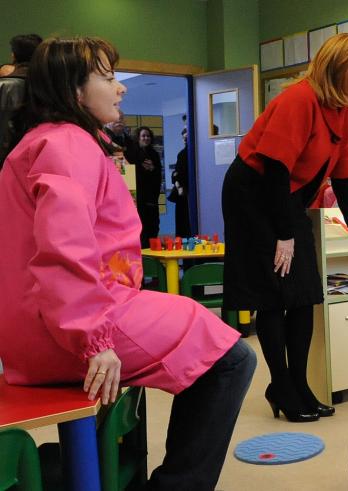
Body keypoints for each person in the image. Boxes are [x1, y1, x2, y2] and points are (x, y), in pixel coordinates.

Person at [0, 37, 255, 490]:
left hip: (43, 328)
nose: (120, 88)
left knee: (212, 345)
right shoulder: (67, 144)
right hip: (71, 328)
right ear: (75, 91)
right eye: (108, 77)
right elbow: (64, 249)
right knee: (232, 357)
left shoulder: (40, 142)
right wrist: (93, 339)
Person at [222, 33, 348, 422]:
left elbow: (344, 177)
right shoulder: (299, 99)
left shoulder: (343, 115)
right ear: (337, 64)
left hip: (285, 196)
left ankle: (299, 384)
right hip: (254, 193)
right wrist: (284, 233)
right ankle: (281, 384)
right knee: (275, 293)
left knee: (304, 293)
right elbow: (276, 167)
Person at [0, 34, 42, 164]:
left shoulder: (5, 86)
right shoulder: (52, 86)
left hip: (6, 159)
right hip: (39, 157)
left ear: (14, 55)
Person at [134, 126, 163, 247]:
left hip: (152, 197)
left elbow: (158, 174)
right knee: (141, 228)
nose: (146, 138)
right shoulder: (134, 154)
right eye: (143, 136)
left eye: (148, 136)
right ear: (138, 138)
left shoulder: (154, 154)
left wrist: (152, 169)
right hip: (139, 197)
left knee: (153, 226)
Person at [167, 127, 191, 237]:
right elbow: (177, 174)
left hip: (184, 194)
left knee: (183, 224)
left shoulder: (185, 153)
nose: (185, 140)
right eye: (184, 139)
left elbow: (176, 174)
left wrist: (178, 183)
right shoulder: (183, 154)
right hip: (185, 195)